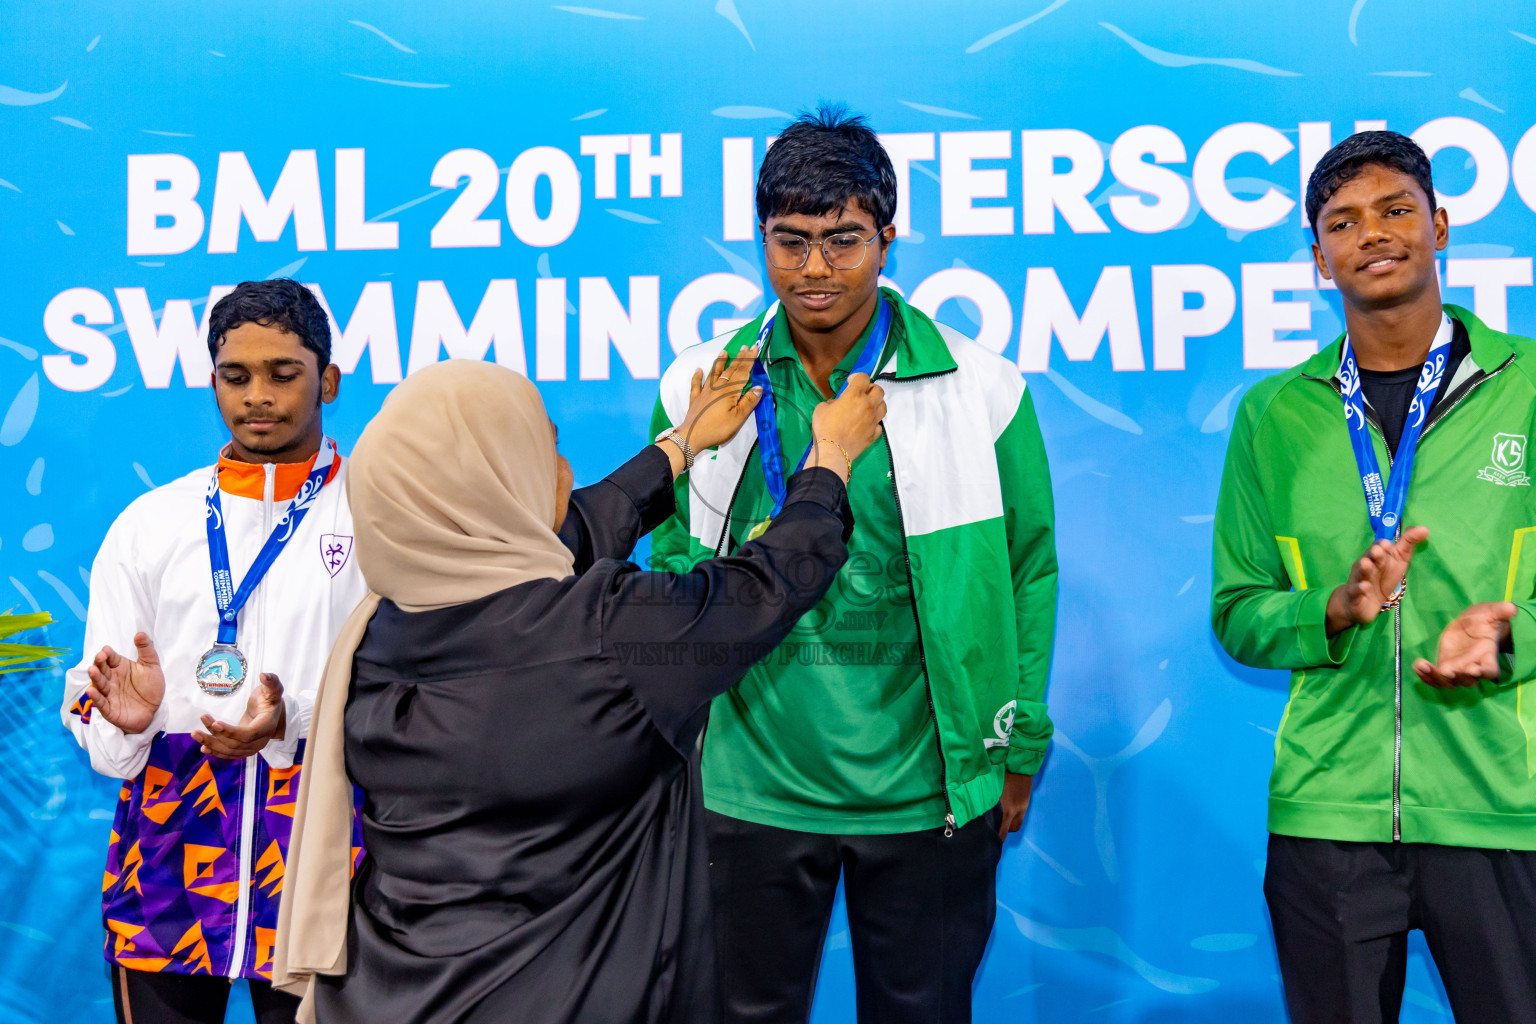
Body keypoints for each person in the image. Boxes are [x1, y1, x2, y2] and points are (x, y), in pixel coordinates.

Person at [270, 353, 887, 1024]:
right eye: (546, 448)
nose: (563, 468)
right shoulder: (611, 638)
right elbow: (767, 586)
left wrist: (677, 448)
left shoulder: (377, 634)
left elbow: (543, 538)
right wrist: (829, 461)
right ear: (497, 484)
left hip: (386, 995)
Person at [649, 104, 1058, 1023]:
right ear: (761, 239)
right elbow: (670, 569)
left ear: (888, 237)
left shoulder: (979, 385)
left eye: (843, 240)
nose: (815, 270)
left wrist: (1018, 743)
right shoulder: (700, 383)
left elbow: (1028, 572)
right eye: (789, 243)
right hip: (746, 786)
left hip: (927, 790)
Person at [1212, 130, 1536, 1023]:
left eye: (1396, 210)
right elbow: (1238, 613)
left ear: (1438, 225)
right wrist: (1333, 609)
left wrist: (1511, 635)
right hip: (1327, 821)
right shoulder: (1272, 414)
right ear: (1319, 258)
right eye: (1343, 222)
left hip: (1502, 805)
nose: (1373, 233)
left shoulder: (1530, 385)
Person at [60, 279, 368, 1024]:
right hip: (168, 860)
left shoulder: (375, 512)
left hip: (323, 859)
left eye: (282, 374)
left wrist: (290, 720)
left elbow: (411, 683)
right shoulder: (151, 523)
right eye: (236, 376)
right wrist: (126, 721)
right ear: (212, 383)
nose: (257, 395)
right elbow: (90, 695)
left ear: (327, 379)